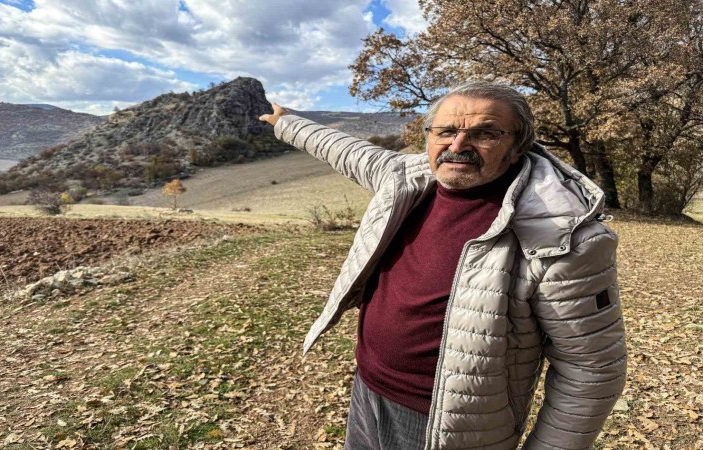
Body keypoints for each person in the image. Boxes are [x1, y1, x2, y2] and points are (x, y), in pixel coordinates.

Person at [259, 81, 627, 450]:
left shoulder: (562, 233)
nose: (458, 145)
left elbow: (591, 370)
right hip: (368, 386)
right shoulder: (408, 178)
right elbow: (350, 152)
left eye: (484, 133)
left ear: (518, 146)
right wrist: (288, 123)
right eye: (446, 131)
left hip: (448, 425)